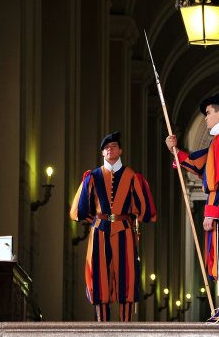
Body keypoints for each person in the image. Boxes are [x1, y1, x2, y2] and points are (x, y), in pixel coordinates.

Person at [165, 93, 219, 322]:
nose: (206, 118)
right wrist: (175, 150)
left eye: (209, 113)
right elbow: (198, 163)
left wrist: (211, 212)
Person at [70, 131, 156, 322]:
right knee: (99, 276)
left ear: (120, 150)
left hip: (124, 229)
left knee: (127, 274)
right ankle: (103, 326)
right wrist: (95, 218)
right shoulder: (92, 176)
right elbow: (80, 209)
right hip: (100, 229)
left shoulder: (132, 176)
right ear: (102, 153)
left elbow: (144, 209)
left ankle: (125, 325)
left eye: (114, 146)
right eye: (106, 148)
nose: (110, 150)